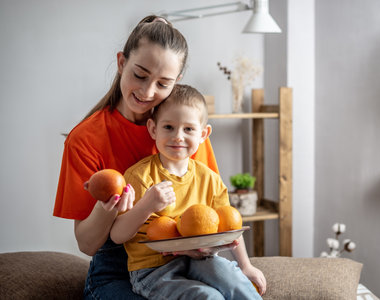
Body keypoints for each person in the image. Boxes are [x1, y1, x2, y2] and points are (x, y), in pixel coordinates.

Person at [53, 15, 231, 299]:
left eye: (163, 83)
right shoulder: (85, 140)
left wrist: (210, 247)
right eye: (140, 75)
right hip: (116, 272)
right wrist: (108, 208)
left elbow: (212, 214)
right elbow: (86, 244)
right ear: (122, 63)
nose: (148, 92)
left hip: (185, 265)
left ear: (177, 81)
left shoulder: (186, 134)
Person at [110, 84, 266, 299]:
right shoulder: (139, 176)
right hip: (152, 270)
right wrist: (146, 205)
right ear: (153, 129)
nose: (178, 137)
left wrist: (245, 265)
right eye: (168, 127)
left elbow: (229, 223)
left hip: (200, 260)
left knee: (232, 278)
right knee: (207, 296)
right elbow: (117, 236)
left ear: (204, 134)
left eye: (188, 129)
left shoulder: (209, 178)